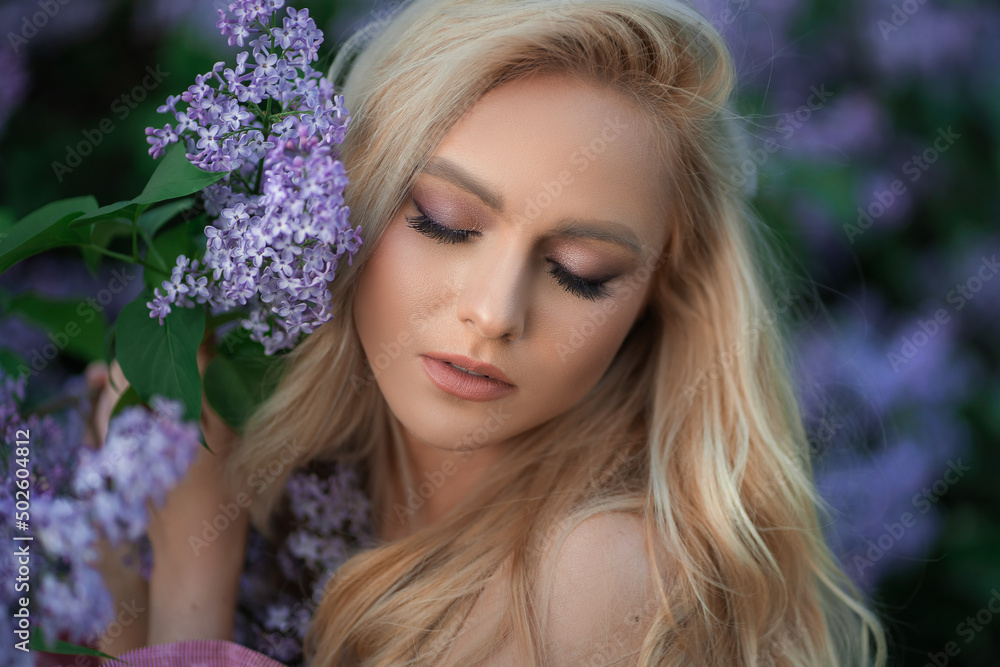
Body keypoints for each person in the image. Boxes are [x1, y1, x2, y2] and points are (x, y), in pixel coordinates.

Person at [83, 0, 889, 664]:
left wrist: (194, 566)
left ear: (655, 296)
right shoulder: (299, 481)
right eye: (444, 222)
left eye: (581, 269)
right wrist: (120, 593)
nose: (495, 313)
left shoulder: (593, 580)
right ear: (344, 198)